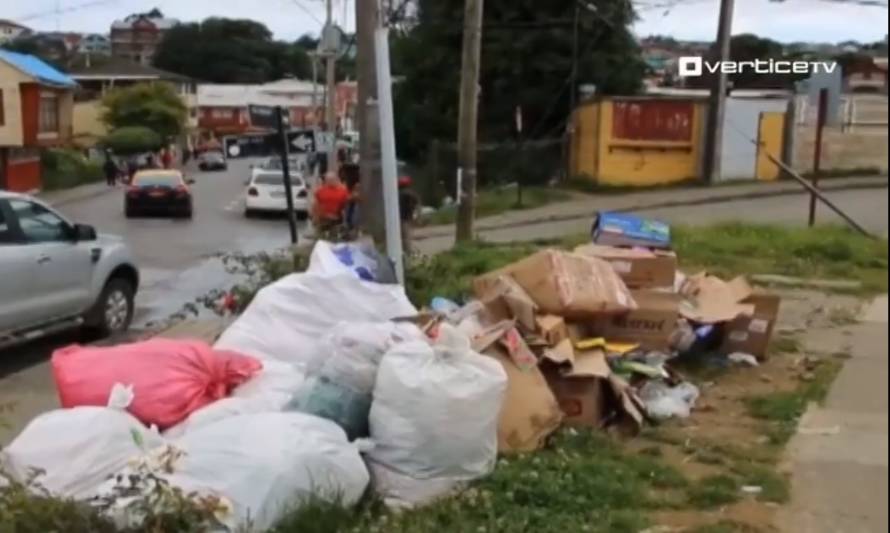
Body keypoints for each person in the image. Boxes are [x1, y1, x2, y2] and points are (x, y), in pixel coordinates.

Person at [398, 176, 420, 253]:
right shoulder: (411, 194)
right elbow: (416, 205)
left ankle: (407, 251)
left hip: (402, 217)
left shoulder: (400, 194)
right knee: (406, 236)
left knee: (404, 236)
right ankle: (407, 251)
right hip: (407, 218)